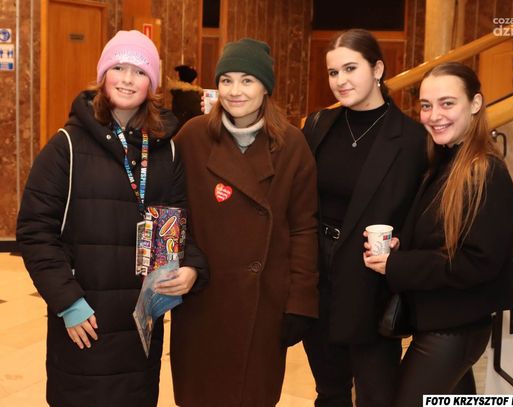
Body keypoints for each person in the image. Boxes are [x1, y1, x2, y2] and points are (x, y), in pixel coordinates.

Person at [16, 30, 208, 407]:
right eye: (118, 68)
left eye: (139, 71)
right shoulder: (66, 146)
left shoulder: (166, 151)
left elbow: (177, 228)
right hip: (85, 322)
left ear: (152, 84)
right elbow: (35, 231)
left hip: (141, 326)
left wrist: (191, 268)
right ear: (103, 76)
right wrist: (68, 302)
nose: (127, 79)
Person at [170, 38, 319, 407]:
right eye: (227, 80)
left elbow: (303, 228)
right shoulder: (192, 137)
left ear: (266, 86)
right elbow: (173, 211)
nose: (235, 91)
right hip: (203, 299)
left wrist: (300, 302)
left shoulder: (292, 145)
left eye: (247, 80)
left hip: (263, 303)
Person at [363, 62, 513, 406]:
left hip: (454, 329)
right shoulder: (445, 160)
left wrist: (397, 265)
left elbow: (477, 262)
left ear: (475, 104)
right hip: (441, 322)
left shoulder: (485, 172)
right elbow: (441, 237)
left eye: (447, 103)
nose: (434, 116)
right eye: (426, 105)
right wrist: (402, 246)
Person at [301, 28, 427, 407]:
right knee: (329, 390)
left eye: (350, 68)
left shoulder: (411, 138)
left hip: (370, 279)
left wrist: (404, 243)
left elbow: (422, 209)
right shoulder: (318, 125)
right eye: (333, 72)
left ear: (378, 69)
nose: (340, 80)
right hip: (319, 275)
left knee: (376, 393)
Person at [169, 64, 203, 129]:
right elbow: (199, 116)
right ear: (192, 79)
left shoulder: (178, 92)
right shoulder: (192, 96)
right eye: (195, 78)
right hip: (189, 129)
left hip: (178, 128)